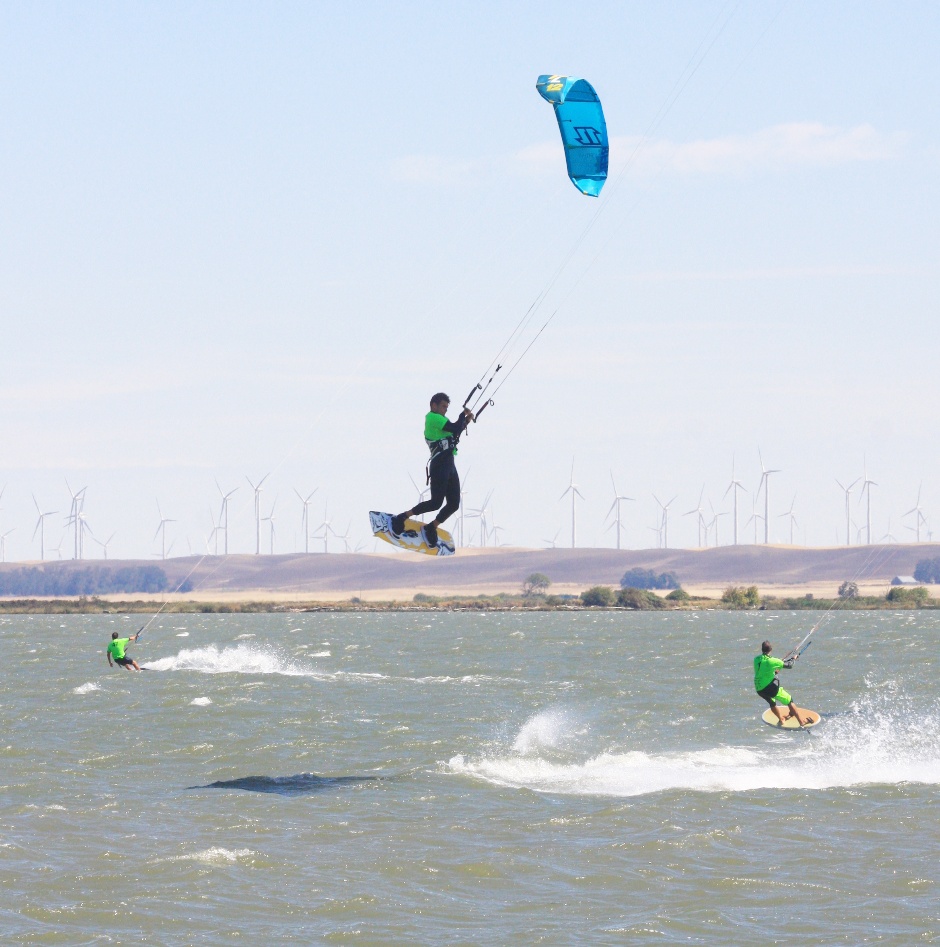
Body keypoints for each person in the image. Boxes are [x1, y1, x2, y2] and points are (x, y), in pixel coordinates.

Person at [391, 392, 473, 547]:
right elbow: (454, 427)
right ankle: (402, 517)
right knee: (436, 503)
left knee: (454, 504)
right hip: (439, 465)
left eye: (446, 408)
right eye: (443, 406)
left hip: (450, 465)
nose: (444, 410)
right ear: (433, 405)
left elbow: (455, 431)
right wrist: (463, 415)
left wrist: (465, 422)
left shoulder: (442, 420)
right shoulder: (432, 418)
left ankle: (431, 527)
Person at [753, 640, 811, 726]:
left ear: (762, 649)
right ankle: (801, 722)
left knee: (772, 702)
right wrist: (794, 658)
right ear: (771, 649)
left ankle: (781, 719)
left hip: (759, 688)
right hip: (768, 688)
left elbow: (764, 670)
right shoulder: (773, 661)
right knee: (789, 700)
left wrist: (775, 669)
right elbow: (790, 665)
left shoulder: (756, 659)